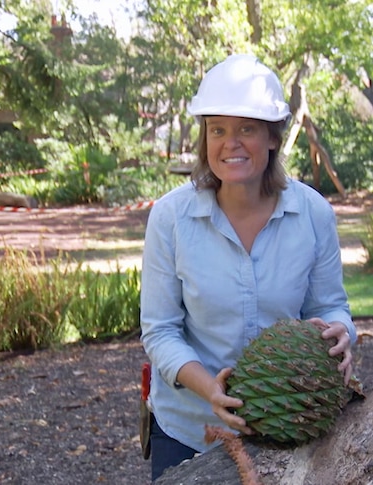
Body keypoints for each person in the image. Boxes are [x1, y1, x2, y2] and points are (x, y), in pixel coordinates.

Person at [139, 53, 356, 482]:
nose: (230, 143)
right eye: (217, 129)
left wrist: (341, 334)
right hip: (189, 427)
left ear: (273, 138)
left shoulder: (313, 214)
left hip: (289, 425)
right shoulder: (171, 218)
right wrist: (211, 389)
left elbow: (330, 305)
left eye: (247, 130)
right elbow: (160, 331)